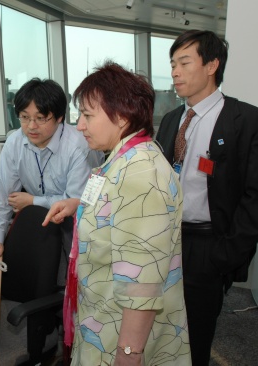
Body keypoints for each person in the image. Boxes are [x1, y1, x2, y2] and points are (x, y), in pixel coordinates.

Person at [44, 61, 191, 366]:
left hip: (120, 337)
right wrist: (77, 206)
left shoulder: (140, 174)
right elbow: (116, 213)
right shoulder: (122, 158)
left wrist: (129, 354)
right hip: (103, 319)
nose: (79, 125)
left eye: (87, 115)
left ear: (122, 116)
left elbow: (143, 284)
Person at [156, 30, 258, 366]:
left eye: (184, 62)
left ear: (211, 65)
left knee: (195, 332)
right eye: (172, 64)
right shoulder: (169, 121)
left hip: (208, 245)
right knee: (158, 322)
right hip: (165, 240)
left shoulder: (250, 123)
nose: (175, 72)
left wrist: (225, 255)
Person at [0, 78, 103, 262]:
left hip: (80, 226)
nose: (31, 126)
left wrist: (33, 201)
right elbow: (4, 196)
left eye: (40, 118)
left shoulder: (79, 147)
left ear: (59, 117)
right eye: (25, 117)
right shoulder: (14, 143)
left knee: (73, 273)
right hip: (40, 226)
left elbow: (79, 202)